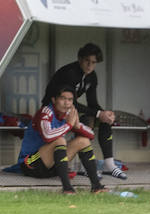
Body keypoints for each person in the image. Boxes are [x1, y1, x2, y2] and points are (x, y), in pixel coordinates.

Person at [43, 42, 126, 181]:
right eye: (87, 61)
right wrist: (98, 113)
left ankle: (109, 165)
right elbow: (70, 103)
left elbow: (92, 103)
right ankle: (84, 167)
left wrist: (104, 114)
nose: (90, 65)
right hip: (54, 109)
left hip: (69, 109)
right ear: (80, 59)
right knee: (86, 120)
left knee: (103, 120)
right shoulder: (70, 73)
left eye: (93, 62)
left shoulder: (92, 76)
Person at [19, 85, 107, 193]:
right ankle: (67, 189)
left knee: (83, 141)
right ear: (54, 99)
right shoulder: (45, 112)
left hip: (52, 167)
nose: (66, 103)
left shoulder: (68, 114)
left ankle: (96, 186)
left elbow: (91, 135)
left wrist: (77, 127)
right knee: (60, 140)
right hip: (31, 164)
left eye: (70, 100)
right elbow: (48, 136)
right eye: (63, 98)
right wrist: (69, 125)